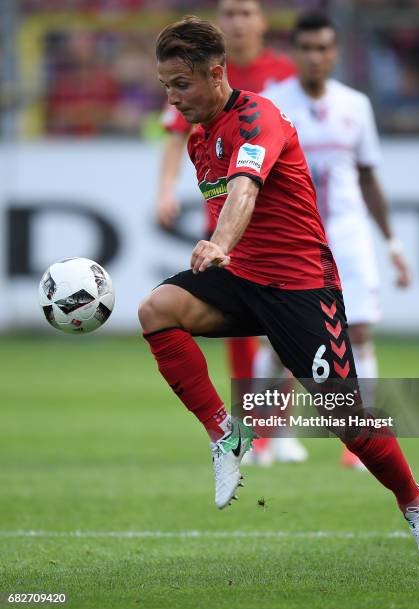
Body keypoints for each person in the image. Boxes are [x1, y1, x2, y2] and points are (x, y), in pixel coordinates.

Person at [139, 16, 419, 570]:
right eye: (165, 85)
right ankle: (226, 435)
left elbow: (245, 190)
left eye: (180, 84)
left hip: (302, 286)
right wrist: (224, 253)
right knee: (157, 309)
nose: (172, 97)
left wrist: (218, 242)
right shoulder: (197, 141)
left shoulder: (260, 117)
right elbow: (229, 202)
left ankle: (416, 502)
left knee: (349, 423)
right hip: (243, 280)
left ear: (216, 74)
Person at [260, 12, 412, 470]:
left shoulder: (355, 106)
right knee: (281, 343)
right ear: (293, 53)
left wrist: (394, 245)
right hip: (294, 239)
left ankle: (361, 440)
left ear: (335, 53)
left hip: (347, 235)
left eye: (322, 48)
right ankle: (270, 432)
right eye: (305, 48)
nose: (314, 57)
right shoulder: (270, 104)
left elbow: (368, 177)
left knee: (359, 331)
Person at [155, 0, 303, 465]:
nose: (238, 21)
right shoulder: (191, 74)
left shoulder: (282, 73)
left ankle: (276, 425)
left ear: (261, 21)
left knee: (290, 328)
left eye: (246, 12)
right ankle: (250, 428)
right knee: (238, 328)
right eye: (230, 13)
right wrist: (165, 191)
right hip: (226, 217)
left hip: (277, 208)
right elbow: (176, 134)